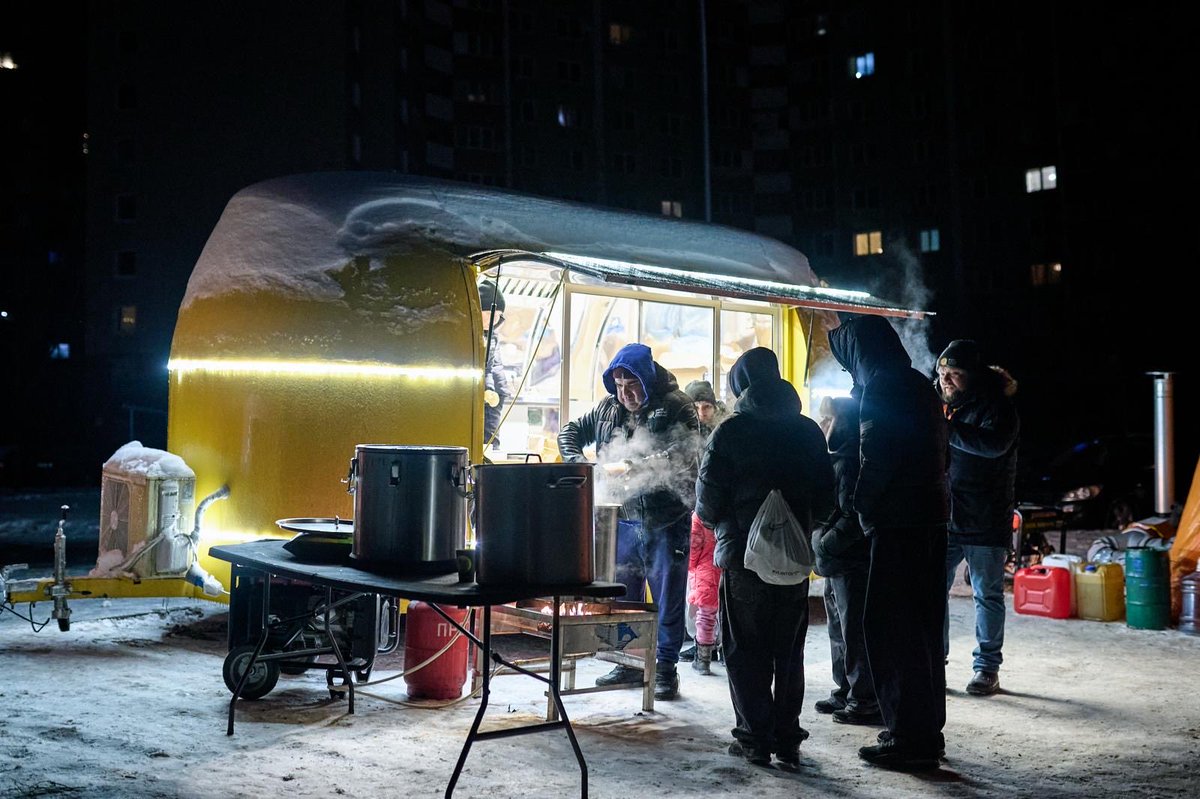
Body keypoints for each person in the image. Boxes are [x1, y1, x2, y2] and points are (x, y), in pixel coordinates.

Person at [694, 347, 835, 769]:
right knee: (787, 653)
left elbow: (706, 503)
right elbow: (829, 502)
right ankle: (788, 738)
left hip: (742, 560)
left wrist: (730, 525)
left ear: (742, 385)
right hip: (793, 563)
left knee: (745, 650)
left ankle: (754, 739)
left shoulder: (731, 432)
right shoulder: (808, 431)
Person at [827, 315, 950, 771]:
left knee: (894, 632)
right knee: (920, 634)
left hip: (898, 527)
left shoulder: (883, 388)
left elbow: (875, 458)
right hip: (929, 521)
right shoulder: (919, 384)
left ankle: (909, 740)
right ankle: (920, 732)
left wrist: (862, 511)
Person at [558, 343, 701, 700]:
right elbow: (570, 432)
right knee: (623, 594)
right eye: (619, 385)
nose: (626, 394)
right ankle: (626, 661)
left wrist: (633, 467)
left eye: (632, 384)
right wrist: (581, 464)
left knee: (668, 596)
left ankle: (665, 667)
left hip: (666, 519)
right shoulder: (608, 408)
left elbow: (685, 453)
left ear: (647, 377)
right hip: (621, 517)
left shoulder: (677, 404)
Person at [935, 339, 1020, 697]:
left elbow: (992, 446)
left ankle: (987, 668)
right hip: (945, 514)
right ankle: (933, 661)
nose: (946, 381)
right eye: (942, 373)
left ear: (974, 376)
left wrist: (943, 429)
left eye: (955, 374)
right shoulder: (941, 405)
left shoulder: (997, 408)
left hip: (985, 516)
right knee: (932, 588)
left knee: (987, 595)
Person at [811, 394, 881, 725]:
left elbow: (852, 515)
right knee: (838, 628)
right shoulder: (836, 456)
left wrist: (825, 545)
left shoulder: (850, 461)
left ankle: (864, 698)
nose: (823, 424)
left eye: (829, 419)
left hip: (850, 559)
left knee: (854, 631)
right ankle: (846, 689)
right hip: (836, 560)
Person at [680, 379, 727, 674]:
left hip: (707, 512)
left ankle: (708, 646)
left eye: (706, 406)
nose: (702, 412)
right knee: (703, 598)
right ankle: (701, 642)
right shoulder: (684, 429)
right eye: (697, 406)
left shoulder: (721, 432)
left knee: (708, 595)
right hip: (695, 508)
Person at [479, 279, 513, 453]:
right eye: (491, 313)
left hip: (495, 393)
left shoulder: (491, 335)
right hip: (486, 391)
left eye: (499, 315)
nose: (495, 319)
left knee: (490, 441)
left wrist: (492, 390)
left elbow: (490, 366)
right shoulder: (476, 333)